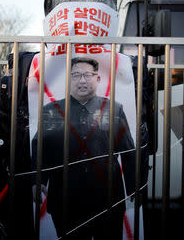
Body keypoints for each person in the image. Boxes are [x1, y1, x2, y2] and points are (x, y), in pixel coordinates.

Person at [31, 57, 136, 239]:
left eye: (88, 75)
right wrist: (37, 180)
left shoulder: (113, 110)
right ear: (69, 79)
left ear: (98, 79)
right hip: (66, 199)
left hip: (108, 198)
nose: (82, 80)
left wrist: (135, 184)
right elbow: (41, 147)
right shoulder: (52, 111)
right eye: (76, 75)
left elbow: (128, 151)